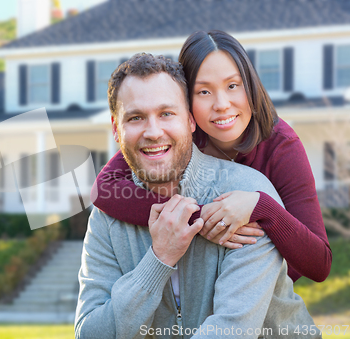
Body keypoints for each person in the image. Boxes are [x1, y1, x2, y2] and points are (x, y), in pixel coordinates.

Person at [75, 53, 320, 339]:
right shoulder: (107, 217)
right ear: (117, 129)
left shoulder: (246, 198)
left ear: (191, 120)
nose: (153, 132)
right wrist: (159, 258)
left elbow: (231, 330)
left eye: (167, 113)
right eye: (136, 117)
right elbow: (90, 333)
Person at [92, 30, 331, 283]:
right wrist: (204, 219)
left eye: (232, 86)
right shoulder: (177, 137)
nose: (222, 104)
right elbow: (104, 188)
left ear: (250, 85)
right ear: (186, 105)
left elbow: (319, 264)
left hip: (264, 288)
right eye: (204, 92)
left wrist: (260, 207)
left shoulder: (281, 145)